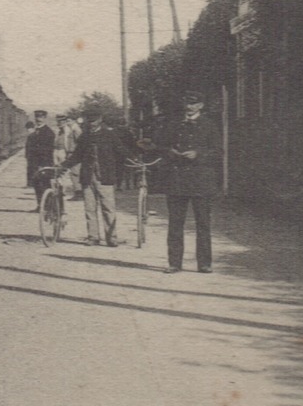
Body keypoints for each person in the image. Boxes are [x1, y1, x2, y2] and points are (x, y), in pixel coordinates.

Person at [155, 91, 222, 273]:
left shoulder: (209, 126)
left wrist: (198, 154)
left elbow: (218, 152)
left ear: (201, 106)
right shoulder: (173, 125)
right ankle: (175, 263)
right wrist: (171, 152)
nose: (190, 106)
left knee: (203, 224)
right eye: (187, 103)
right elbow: (160, 146)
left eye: (194, 103)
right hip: (177, 181)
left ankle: (204, 263)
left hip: (201, 181)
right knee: (175, 224)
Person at [62, 113, 139, 246]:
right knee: (90, 208)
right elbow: (77, 156)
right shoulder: (84, 136)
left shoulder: (109, 135)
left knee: (108, 208)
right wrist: (64, 166)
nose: (92, 123)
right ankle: (93, 237)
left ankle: (111, 238)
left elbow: (121, 150)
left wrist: (134, 160)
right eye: (90, 121)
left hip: (105, 177)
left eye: (94, 121)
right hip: (87, 177)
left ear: (100, 120)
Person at [25, 111, 56, 211]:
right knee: (37, 185)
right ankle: (40, 206)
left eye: (41, 118)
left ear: (45, 118)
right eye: (37, 118)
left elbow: (47, 150)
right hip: (34, 163)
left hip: (43, 164)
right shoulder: (36, 131)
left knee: (44, 185)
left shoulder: (48, 132)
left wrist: (42, 164)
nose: (38, 120)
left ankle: (47, 206)